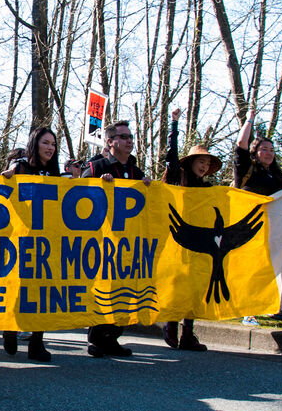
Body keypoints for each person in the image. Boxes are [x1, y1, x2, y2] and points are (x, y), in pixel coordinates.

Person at [0, 127, 78, 362]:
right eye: (46, 143)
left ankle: (37, 342)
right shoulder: (21, 167)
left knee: (43, 292)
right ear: (35, 144)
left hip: (47, 241)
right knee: (18, 287)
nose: (50, 147)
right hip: (21, 241)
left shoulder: (54, 173)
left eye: (53, 144)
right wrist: (7, 178)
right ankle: (10, 327)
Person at [80, 121, 149, 357]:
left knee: (124, 290)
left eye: (131, 137)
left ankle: (112, 336)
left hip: (127, 244)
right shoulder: (96, 166)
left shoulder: (136, 171)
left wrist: (148, 188)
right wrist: (97, 186)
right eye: (124, 137)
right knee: (102, 290)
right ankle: (96, 338)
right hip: (101, 242)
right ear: (110, 142)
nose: (130, 141)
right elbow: (78, 198)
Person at [234, 109, 282, 325]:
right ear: (255, 151)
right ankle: (248, 311)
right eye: (264, 149)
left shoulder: (277, 175)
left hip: (273, 230)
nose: (269, 153)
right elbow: (241, 142)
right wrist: (250, 118)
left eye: (272, 149)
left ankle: (276, 307)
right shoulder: (247, 168)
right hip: (249, 226)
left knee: (276, 266)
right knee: (251, 268)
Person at [160, 108, 214, 352]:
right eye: (201, 161)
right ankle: (170, 324)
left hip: (198, 242)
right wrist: (174, 125)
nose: (204, 166)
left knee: (195, 287)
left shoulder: (208, 189)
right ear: (191, 162)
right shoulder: (176, 177)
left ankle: (188, 332)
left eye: (207, 163)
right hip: (175, 239)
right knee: (177, 284)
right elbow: (171, 157)